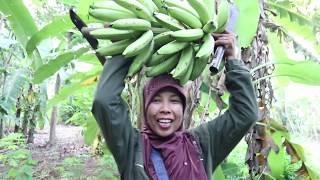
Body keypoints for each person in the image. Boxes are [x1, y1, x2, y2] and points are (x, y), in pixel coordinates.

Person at [91, 31, 258, 180]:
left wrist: (232, 59)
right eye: (156, 100)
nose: (165, 109)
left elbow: (245, 114)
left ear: (184, 107)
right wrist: (128, 46)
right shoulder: (131, 146)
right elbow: (104, 102)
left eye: (174, 101)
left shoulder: (202, 144)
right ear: (145, 107)